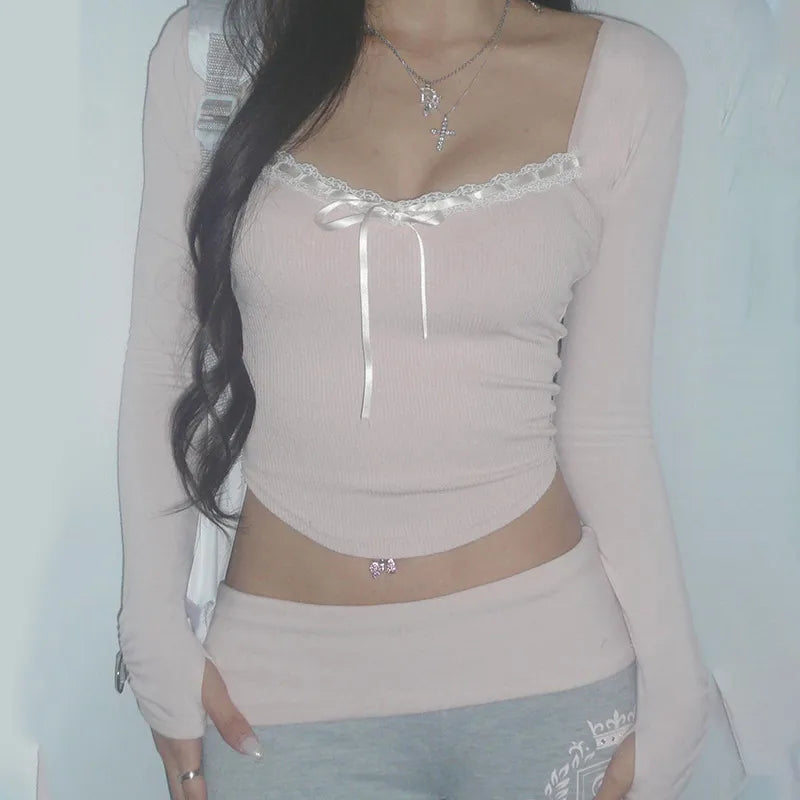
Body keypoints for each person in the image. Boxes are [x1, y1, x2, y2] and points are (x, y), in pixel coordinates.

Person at [116, 0, 712, 797]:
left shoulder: (627, 76)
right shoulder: (218, 55)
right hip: (283, 686)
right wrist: (153, 637)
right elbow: (164, 369)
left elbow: (607, 424)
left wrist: (678, 694)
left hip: (552, 669)